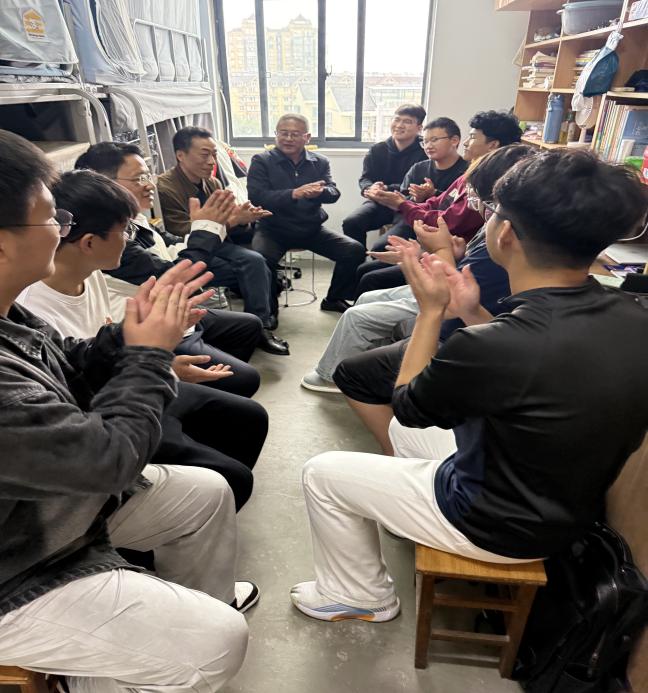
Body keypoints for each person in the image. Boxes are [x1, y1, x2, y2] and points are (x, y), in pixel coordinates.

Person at [290, 148, 648, 624]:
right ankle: (404, 510)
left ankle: (358, 595)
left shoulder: (494, 343)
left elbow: (408, 403)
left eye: (494, 212)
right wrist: (471, 312)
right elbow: (536, 362)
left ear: (505, 233)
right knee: (400, 434)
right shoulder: (632, 316)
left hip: (498, 525)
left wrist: (431, 312)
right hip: (566, 509)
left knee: (323, 472)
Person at [0, 130, 258, 692]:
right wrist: (149, 356)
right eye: (52, 218)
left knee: (206, 493)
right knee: (218, 642)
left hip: (41, 514)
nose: (62, 230)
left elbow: (69, 362)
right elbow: (109, 462)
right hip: (18, 568)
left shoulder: (12, 316)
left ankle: (148, 646)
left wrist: (126, 337)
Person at [18, 168, 268, 511]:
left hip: (119, 384)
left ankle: (208, 506)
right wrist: (154, 362)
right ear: (88, 242)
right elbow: (78, 403)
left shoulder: (88, 274)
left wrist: (162, 359)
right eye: (126, 230)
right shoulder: (32, 310)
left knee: (250, 416)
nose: (58, 230)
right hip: (103, 416)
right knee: (231, 477)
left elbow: (93, 353)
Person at [300, 144, 535, 415]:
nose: (473, 204)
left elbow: (449, 302)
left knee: (358, 314)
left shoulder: (501, 242)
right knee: (367, 294)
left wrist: (433, 253)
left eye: (477, 201)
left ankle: (332, 375)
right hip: (453, 290)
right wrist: (438, 254)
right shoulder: (499, 232)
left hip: (449, 313)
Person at [75, 142, 271, 392]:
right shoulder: (107, 239)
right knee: (246, 378)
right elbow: (173, 273)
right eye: (139, 178)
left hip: (172, 305)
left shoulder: (137, 219)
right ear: (103, 185)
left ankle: (214, 376)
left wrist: (222, 224)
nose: (149, 184)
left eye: (148, 176)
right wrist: (208, 228)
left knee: (250, 319)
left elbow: (171, 245)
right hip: (152, 322)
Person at [357, 110, 523, 296]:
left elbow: (447, 221)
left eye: (472, 137)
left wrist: (402, 205)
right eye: (426, 141)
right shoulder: (469, 173)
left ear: (492, 145)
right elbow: (438, 202)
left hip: (453, 255)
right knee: (365, 268)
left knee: (371, 278)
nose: (466, 143)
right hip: (438, 244)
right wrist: (402, 202)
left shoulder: (488, 182)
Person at [156, 127, 289, 347]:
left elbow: (227, 222)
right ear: (180, 155)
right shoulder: (164, 188)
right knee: (254, 264)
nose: (211, 162)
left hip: (218, 243)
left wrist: (243, 218)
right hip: (190, 248)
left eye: (214, 154)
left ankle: (260, 325)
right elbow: (180, 232)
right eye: (204, 154)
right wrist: (233, 220)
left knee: (262, 262)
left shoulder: (213, 183)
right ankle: (259, 326)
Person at [248, 113, 366, 314]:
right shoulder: (262, 160)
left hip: (311, 229)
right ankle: (268, 312)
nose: (288, 138)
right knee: (261, 259)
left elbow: (334, 192)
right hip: (272, 229)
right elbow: (257, 196)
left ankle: (334, 298)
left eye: (295, 134)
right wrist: (294, 194)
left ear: (307, 137)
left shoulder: (319, 162)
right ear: (276, 135)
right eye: (283, 133)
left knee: (354, 250)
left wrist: (321, 192)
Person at [341, 104, 427, 246]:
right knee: (351, 223)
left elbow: (415, 185)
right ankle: (358, 258)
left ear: (419, 128)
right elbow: (365, 177)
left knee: (382, 247)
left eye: (407, 121)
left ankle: (377, 259)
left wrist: (387, 188)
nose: (399, 125)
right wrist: (370, 188)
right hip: (380, 202)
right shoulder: (378, 149)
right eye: (397, 119)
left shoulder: (425, 151)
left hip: (408, 205)